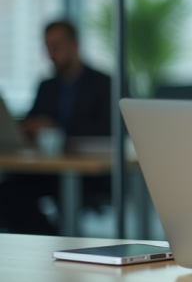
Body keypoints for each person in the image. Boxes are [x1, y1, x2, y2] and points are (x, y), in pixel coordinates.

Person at [0, 20, 111, 234]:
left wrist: (57, 129)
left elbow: (108, 130)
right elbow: (33, 118)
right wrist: (24, 127)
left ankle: (57, 238)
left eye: (57, 46)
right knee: (8, 190)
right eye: (48, 47)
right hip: (49, 168)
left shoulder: (104, 84)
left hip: (88, 172)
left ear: (75, 45)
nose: (51, 53)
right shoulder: (47, 86)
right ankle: (51, 236)